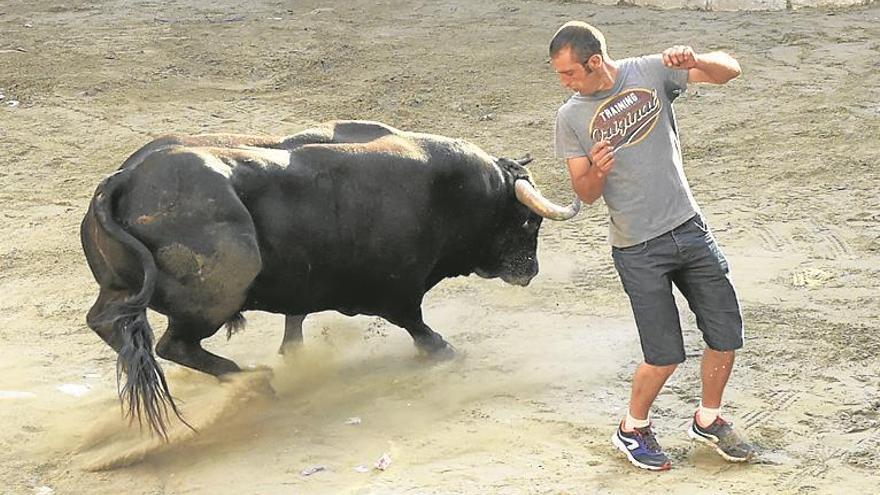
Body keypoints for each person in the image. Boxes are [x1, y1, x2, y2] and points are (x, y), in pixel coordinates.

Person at [549, 21, 755, 471]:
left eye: (568, 73)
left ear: (595, 61)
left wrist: (696, 59)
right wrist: (597, 171)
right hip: (638, 248)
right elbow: (583, 193)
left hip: (690, 228)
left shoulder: (650, 71)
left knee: (725, 334)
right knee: (663, 356)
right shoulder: (570, 118)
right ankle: (632, 427)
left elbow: (731, 71)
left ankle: (708, 418)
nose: (563, 83)